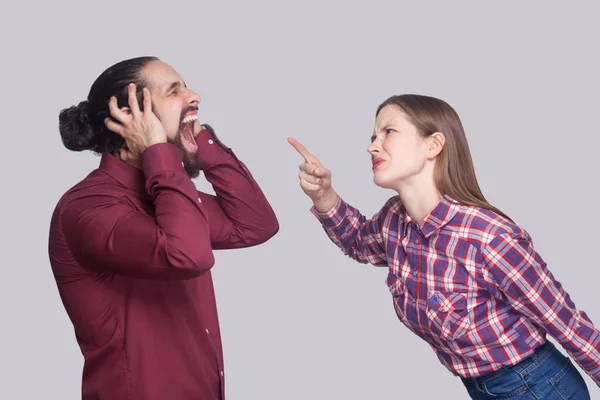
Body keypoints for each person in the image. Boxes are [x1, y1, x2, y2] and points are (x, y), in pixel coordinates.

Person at [288, 94, 599, 399]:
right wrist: (324, 196)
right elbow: (358, 242)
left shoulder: (488, 237)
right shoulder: (394, 220)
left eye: (389, 132)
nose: (372, 146)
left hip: (537, 387)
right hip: (483, 388)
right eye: (373, 135)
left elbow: (566, 323)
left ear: (433, 145)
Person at [49, 56, 279, 400]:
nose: (194, 96)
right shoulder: (87, 208)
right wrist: (159, 150)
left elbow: (255, 224)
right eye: (175, 91)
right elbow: (187, 255)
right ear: (130, 118)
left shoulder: (167, 194)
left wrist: (198, 141)